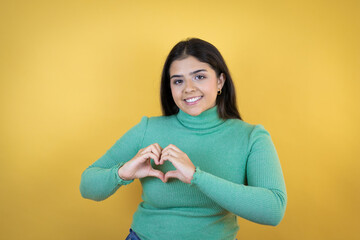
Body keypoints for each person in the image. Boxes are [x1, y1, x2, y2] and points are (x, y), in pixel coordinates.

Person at [79, 38, 287, 240]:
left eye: (199, 77)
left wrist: (196, 176)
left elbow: (273, 210)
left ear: (220, 81)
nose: (188, 88)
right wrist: (123, 173)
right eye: (178, 81)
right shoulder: (147, 129)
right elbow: (87, 186)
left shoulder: (251, 137)